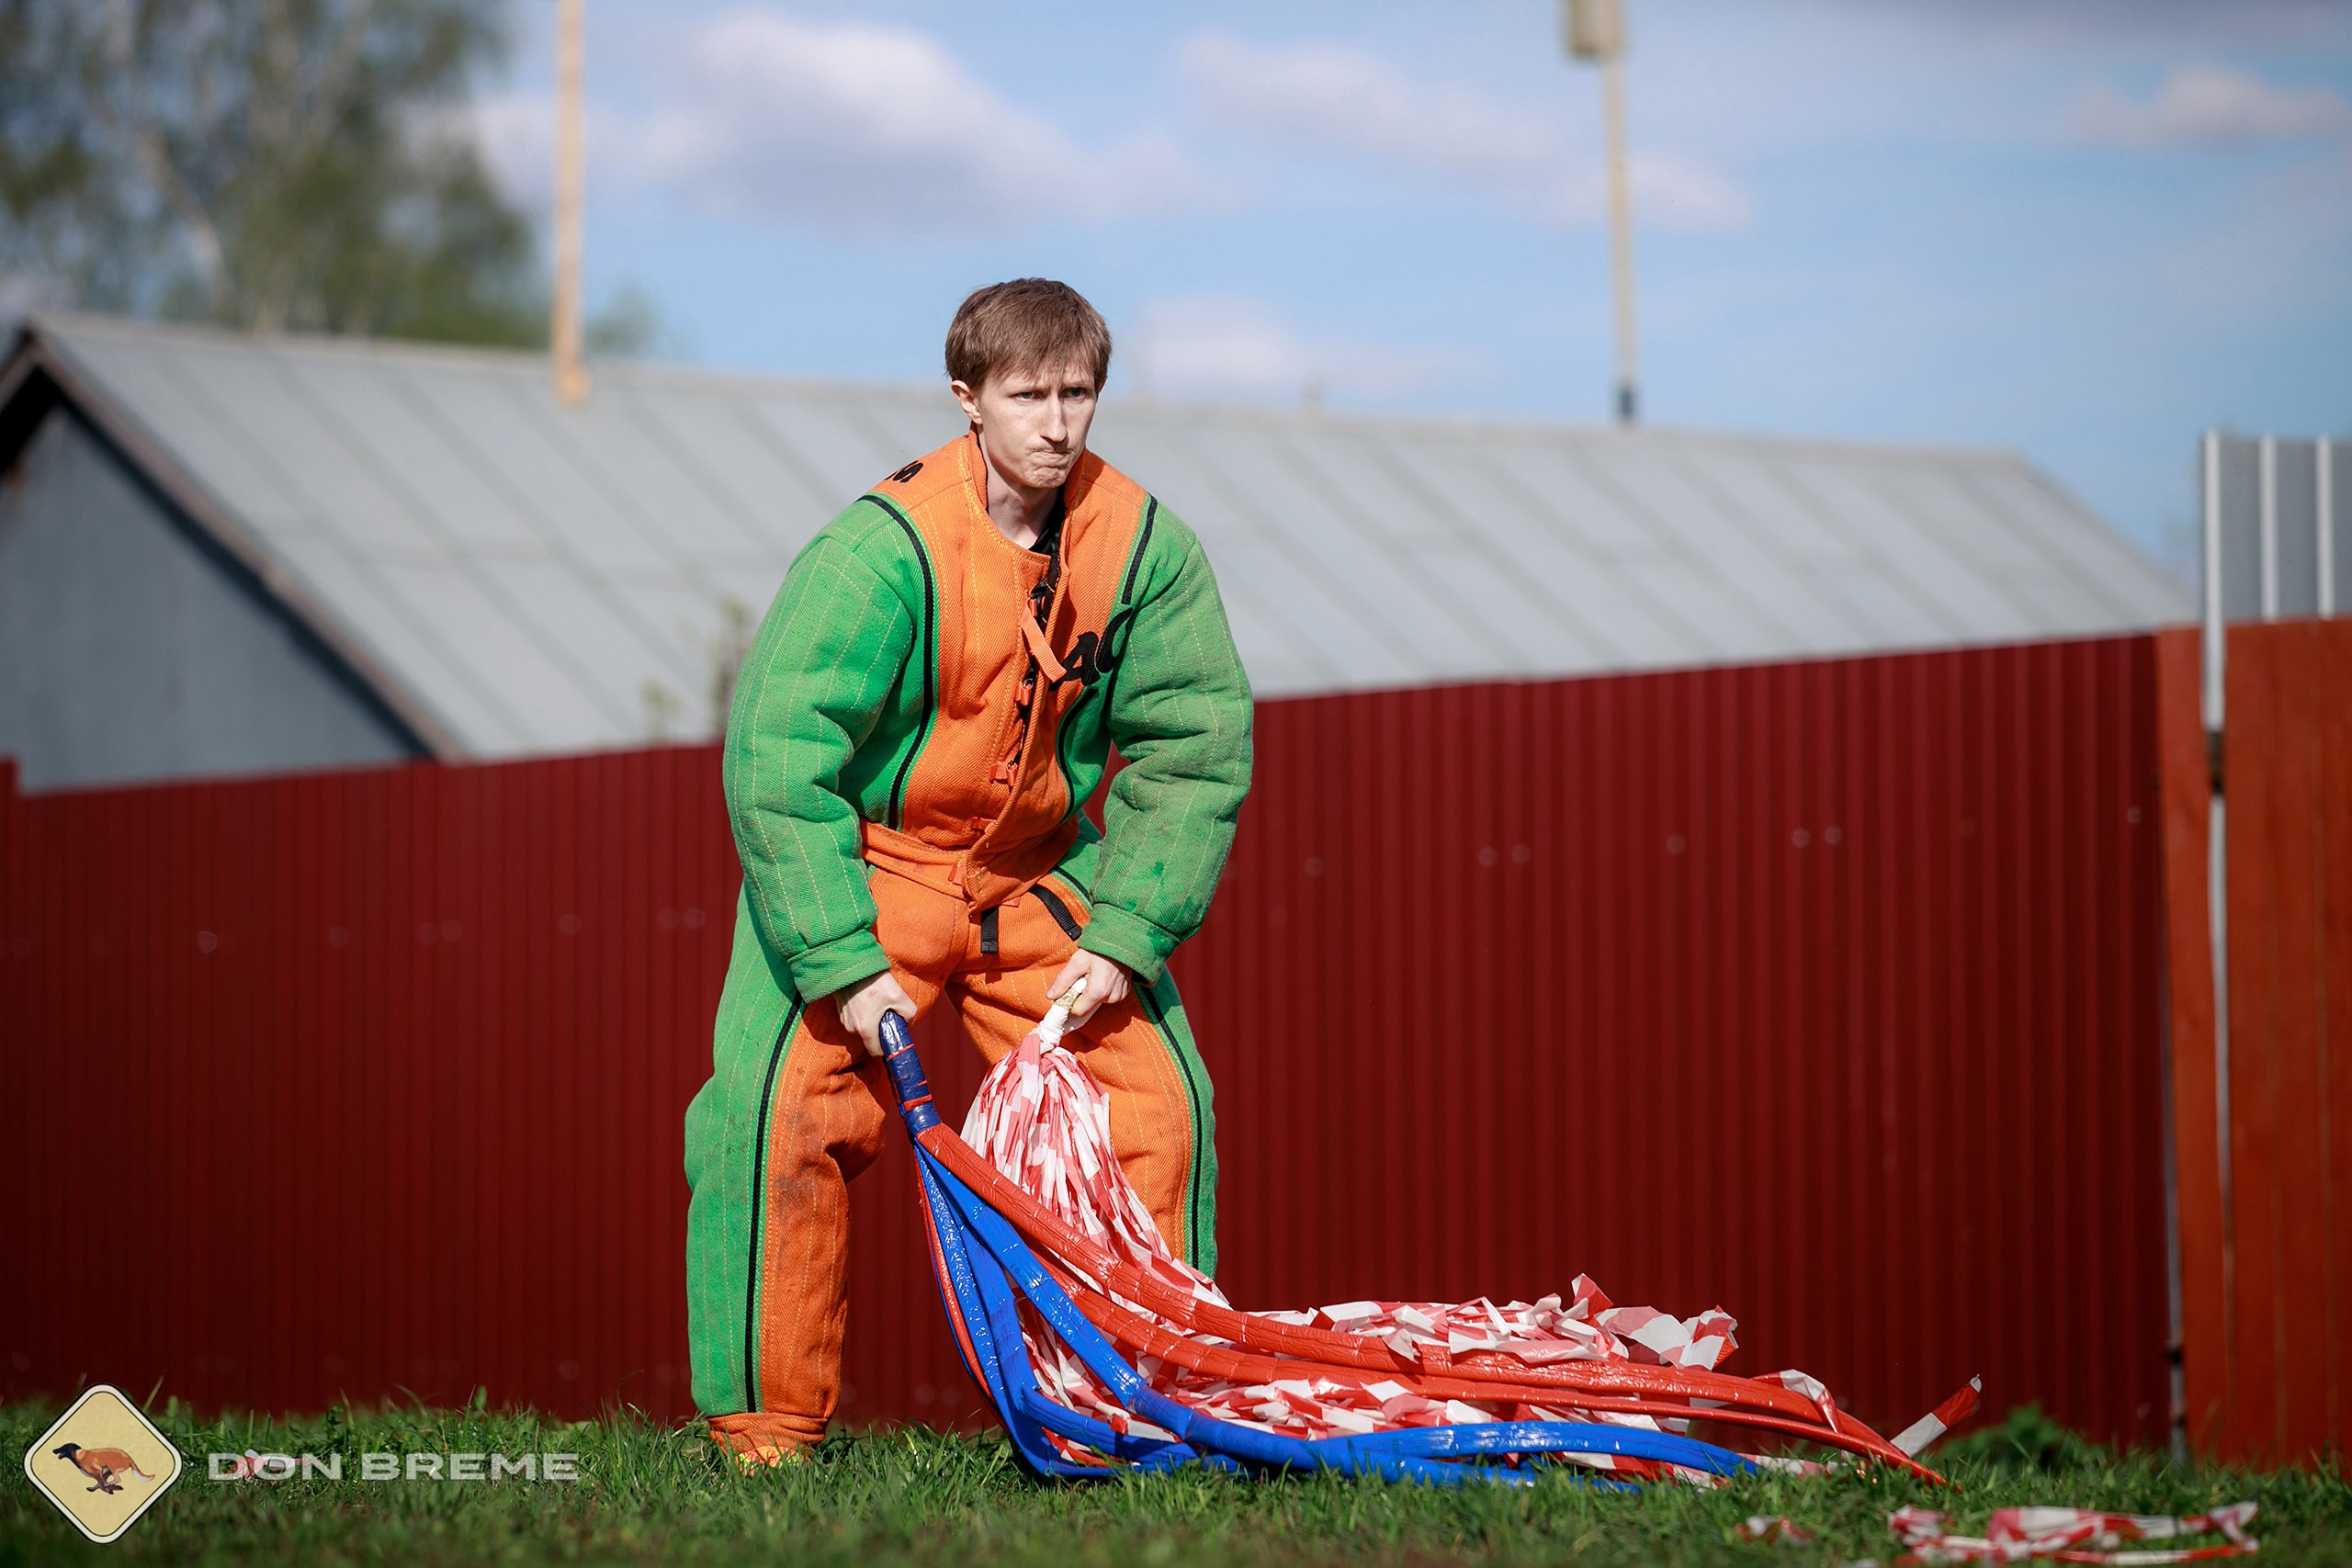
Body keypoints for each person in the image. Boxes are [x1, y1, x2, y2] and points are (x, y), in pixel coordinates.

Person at [682, 278, 1254, 1463]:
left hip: (1038, 881)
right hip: (870, 870)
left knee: (1156, 1104)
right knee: (780, 1115)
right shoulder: (874, 552)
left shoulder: (1146, 548)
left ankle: (1138, 1420)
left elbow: (1194, 751)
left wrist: (1128, 931)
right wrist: (838, 959)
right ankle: (766, 1432)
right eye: (1028, 394)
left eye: (1079, 392)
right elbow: (779, 754)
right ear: (969, 401)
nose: (1057, 422)